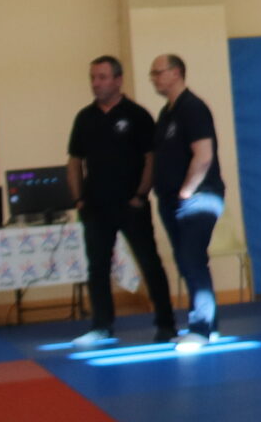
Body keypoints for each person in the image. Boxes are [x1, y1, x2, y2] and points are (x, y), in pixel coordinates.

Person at [66, 54, 176, 349]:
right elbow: (74, 161)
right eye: (92, 78)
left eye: (102, 77)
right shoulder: (85, 118)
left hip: (131, 204)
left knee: (149, 262)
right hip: (95, 206)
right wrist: (78, 199)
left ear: (117, 80)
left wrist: (141, 194)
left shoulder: (137, 115)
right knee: (97, 267)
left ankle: (166, 323)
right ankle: (101, 326)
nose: (96, 83)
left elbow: (151, 159)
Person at [147, 53, 226, 354]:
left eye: (158, 72)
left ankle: (201, 328)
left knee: (191, 258)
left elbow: (203, 155)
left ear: (177, 72)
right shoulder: (167, 113)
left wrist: (186, 192)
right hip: (171, 199)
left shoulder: (192, 108)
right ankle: (211, 324)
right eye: (152, 74)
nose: (154, 78)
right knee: (186, 260)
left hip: (198, 197)